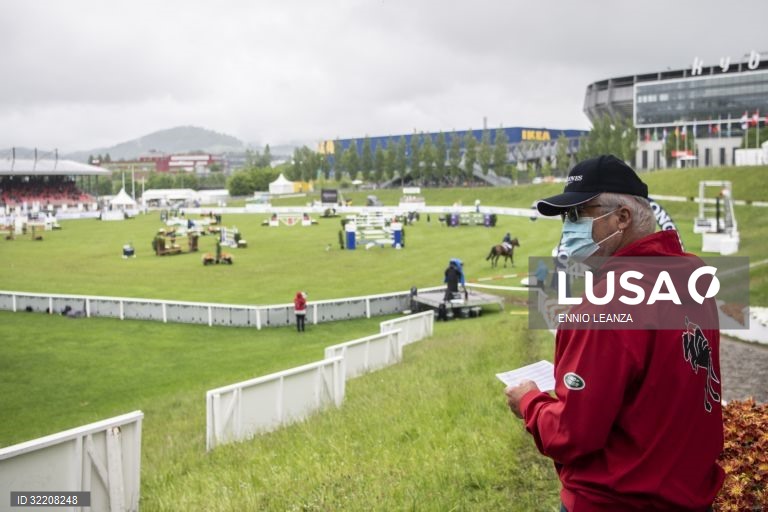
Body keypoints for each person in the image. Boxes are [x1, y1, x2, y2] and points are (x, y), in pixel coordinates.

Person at [504, 154, 723, 512]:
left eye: (578, 214)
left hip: (616, 499)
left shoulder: (606, 303)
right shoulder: (693, 272)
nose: (568, 228)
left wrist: (529, 401)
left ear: (622, 217)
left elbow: (574, 434)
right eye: (565, 217)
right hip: (690, 494)